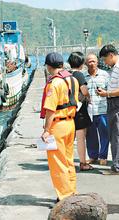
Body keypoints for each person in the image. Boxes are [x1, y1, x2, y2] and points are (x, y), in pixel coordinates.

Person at [40, 52, 80, 201]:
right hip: (71, 123)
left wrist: (46, 131)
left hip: (57, 125)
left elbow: (51, 109)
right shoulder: (72, 79)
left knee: (58, 163)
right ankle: (71, 190)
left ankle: (64, 196)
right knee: (68, 159)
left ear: (49, 66)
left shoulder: (54, 83)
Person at [97, 44, 119, 175]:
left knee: (117, 135)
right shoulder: (118, 67)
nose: (105, 62)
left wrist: (107, 94)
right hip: (118, 101)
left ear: (111, 55)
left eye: (105, 59)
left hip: (118, 102)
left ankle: (118, 167)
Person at [67, 52, 93, 171]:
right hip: (79, 111)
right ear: (81, 64)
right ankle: (83, 163)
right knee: (80, 138)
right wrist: (89, 97)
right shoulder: (79, 74)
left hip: (67, 109)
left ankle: (67, 162)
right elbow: (84, 90)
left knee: (69, 139)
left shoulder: (66, 74)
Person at [84, 53, 109, 166]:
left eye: (93, 61)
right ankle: (93, 156)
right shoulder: (83, 77)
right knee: (91, 135)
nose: (92, 63)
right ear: (86, 63)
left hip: (103, 110)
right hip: (89, 111)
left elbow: (111, 90)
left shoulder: (105, 75)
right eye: (89, 61)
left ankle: (103, 156)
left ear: (97, 62)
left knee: (104, 134)